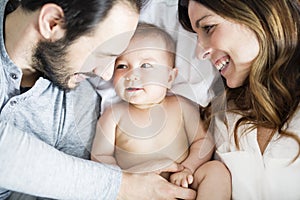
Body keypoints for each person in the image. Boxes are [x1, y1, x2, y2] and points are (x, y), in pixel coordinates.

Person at [0, 0, 198, 199]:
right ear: (51, 22)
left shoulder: (79, 101)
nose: (105, 75)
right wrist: (123, 187)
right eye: (101, 54)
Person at [91, 23, 231, 200]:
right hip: (139, 191)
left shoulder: (181, 106)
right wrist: (130, 175)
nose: (131, 75)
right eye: (122, 66)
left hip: (183, 183)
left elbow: (203, 141)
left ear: (170, 77)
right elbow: (99, 157)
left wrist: (188, 168)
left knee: (216, 171)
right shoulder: (113, 115)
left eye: (146, 65)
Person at [178, 0, 300, 199]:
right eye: (197, 35)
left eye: (208, 28)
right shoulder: (220, 118)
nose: (200, 53)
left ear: (260, 12)